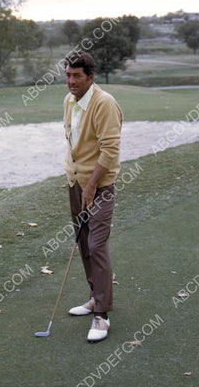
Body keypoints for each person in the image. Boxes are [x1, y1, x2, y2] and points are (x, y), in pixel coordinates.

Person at [63, 50, 123, 343]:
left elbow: (110, 150)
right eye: (68, 75)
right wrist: (76, 181)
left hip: (99, 186)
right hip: (76, 183)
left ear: (91, 76)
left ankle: (102, 315)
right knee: (83, 243)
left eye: (77, 76)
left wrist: (91, 186)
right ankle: (94, 297)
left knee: (96, 245)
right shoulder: (69, 101)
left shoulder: (104, 103)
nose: (71, 81)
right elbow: (74, 143)